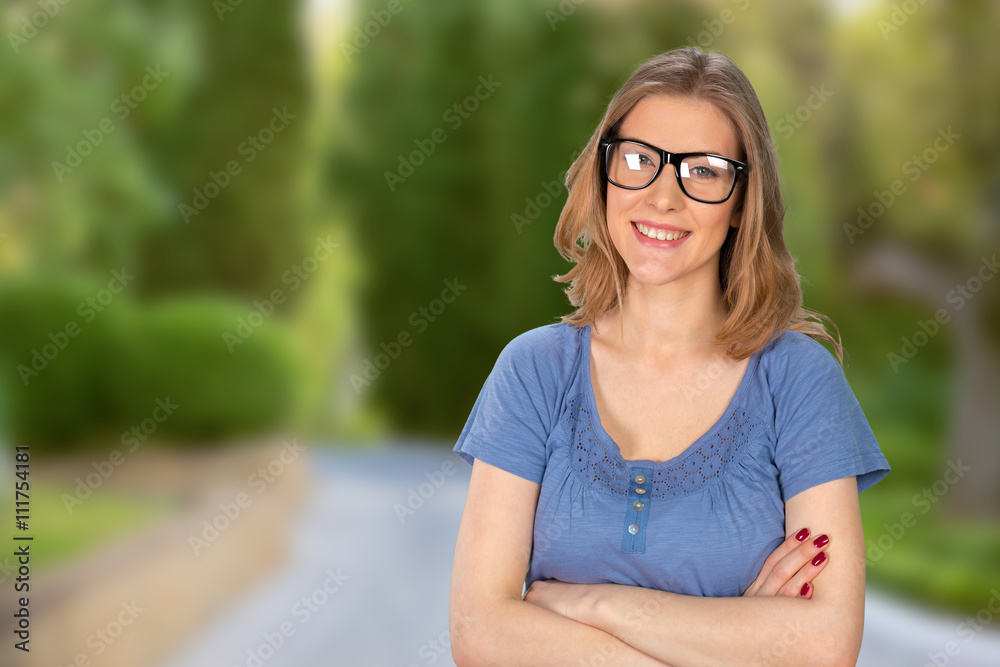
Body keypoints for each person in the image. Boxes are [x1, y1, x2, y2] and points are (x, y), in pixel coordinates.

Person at [449, 46, 890, 667]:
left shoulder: (799, 383)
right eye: (638, 161)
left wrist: (589, 605)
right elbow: (480, 634)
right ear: (604, 177)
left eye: (703, 170)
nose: (662, 198)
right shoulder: (533, 372)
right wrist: (737, 639)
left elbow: (824, 647)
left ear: (742, 201)